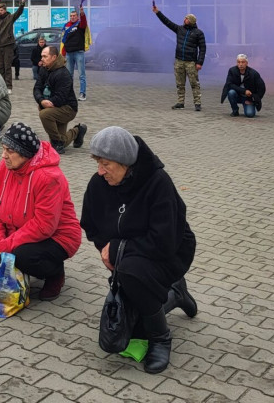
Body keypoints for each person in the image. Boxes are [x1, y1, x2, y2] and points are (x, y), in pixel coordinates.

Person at [80, 126, 197, 375]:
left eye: (107, 164)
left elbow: (164, 241)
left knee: (131, 274)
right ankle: (176, 294)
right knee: (130, 317)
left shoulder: (158, 182)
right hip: (130, 256)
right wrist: (107, 249)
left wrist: (119, 250)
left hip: (172, 251)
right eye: (98, 163)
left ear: (126, 163)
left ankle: (161, 338)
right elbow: (90, 224)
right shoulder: (99, 183)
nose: (100, 172)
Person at [0, 122, 81, 301]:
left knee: (23, 257)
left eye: (9, 151)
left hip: (58, 237)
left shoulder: (49, 178)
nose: (3, 155)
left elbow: (44, 226)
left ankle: (55, 273)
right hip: (19, 234)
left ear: (25, 154)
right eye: (3, 148)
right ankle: (23, 268)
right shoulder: (6, 167)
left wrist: (6, 246)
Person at [152, 4, 206, 111]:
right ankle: (180, 102)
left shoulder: (198, 33)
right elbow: (167, 22)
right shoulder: (179, 29)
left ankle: (197, 103)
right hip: (179, 61)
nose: (184, 19)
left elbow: (203, 48)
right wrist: (157, 12)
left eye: (186, 18)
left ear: (191, 21)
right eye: (185, 18)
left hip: (191, 62)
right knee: (180, 83)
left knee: (194, 83)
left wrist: (199, 62)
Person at [34, 45, 87, 153]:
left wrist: (45, 104)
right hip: (54, 106)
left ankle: (56, 141)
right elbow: (37, 88)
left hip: (67, 108)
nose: (42, 59)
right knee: (61, 142)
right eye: (41, 56)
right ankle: (78, 131)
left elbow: (61, 98)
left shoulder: (63, 74)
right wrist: (41, 100)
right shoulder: (44, 70)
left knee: (45, 114)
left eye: (45, 56)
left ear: (53, 57)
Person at [0, 0, 26, 90]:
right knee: (0, 67)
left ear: (5, 10)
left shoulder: (10, 17)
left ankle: (9, 86)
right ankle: (2, 86)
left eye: (2, 10)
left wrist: (22, 3)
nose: (0, 12)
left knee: (7, 67)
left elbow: (19, 13)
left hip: (8, 45)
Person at [60, 7, 90, 100]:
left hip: (79, 53)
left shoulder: (80, 25)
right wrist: (63, 53)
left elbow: (84, 22)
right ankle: (69, 94)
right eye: (71, 16)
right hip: (69, 53)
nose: (72, 17)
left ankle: (82, 93)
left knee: (81, 75)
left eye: (74, 16)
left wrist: (82, 13)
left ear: (77, 17)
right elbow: (63, 40)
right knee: (69, 75)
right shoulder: (66, 26)